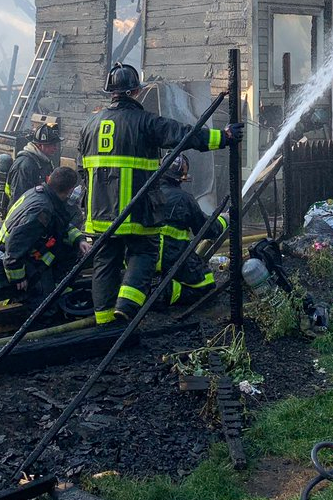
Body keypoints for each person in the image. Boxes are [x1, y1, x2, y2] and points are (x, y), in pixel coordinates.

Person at [78, 62, 243, 325]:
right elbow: (182, 135)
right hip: (138, 211)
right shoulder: (144, 122)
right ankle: (126, 308)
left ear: (111, 93)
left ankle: (105, 324)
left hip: (99, 214)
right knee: (144, 254)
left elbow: (81, 170)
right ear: (136, 92)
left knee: (105, 264)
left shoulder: (90, 125)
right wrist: (222, 137)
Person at [0, 166, 89, 313]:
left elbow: (60, 224)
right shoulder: (42, 210)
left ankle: (56, 286)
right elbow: (16, 243)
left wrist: (79, 240)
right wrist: (18, 277)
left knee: (69, 249)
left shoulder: (43, 194)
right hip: (14, 259)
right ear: (69, 191)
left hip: (21, 251)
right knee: (44, 308)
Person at [157, 153, 228, 307]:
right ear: (182, 175)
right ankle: (165, 293)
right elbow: (207, 230)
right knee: (207, 285)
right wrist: (223, 220)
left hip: (144, 258)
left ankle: (156, 286)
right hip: (173, 257)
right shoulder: (184, 199)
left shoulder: (147, 193)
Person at [3, 123, 61, 218]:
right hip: (23, 215)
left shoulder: (44, 161)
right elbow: (18, 200)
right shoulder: (24, 165)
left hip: (37, 210)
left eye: (55, 144)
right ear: (39, 145)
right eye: (51, 144)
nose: (55, 147)